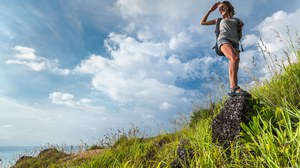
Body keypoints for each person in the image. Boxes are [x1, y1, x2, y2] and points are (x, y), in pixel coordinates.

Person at [200, 1, 250, 96]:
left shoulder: (237, 20)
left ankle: (234, 88)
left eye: (222, 7)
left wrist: (241, 28)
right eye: (219, 9)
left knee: (235, 62)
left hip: (235, 43)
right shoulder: (218, 20)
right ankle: (234, 88)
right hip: (223, 39)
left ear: (228, 7)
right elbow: (202, 22)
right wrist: (210, 10)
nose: (220, 9)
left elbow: (239, 36)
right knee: (234, 58)